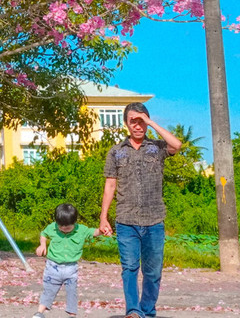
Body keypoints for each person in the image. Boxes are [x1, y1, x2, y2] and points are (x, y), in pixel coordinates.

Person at [99, 102, 183, 318]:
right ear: (126, 124)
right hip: (126, 220)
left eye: (141, 121)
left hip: (154, 220)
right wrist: (103, 217)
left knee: (153, 272)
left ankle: (147, 311)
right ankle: (134, 311)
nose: (137, 126)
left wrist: (151, 123)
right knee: (129, 269)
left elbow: (177, 145)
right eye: (133, 121)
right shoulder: (116, 152)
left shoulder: (157, 147)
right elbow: (110, 185)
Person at [34, 203, 95, 317]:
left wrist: (102, 230)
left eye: (67, 227)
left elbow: (92, 232)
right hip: (53, 266)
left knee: (72, 292)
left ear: (74, 222)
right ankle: (39, 312)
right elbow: (44, 234)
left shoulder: (81, 230)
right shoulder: (52, 227)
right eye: (60, 226)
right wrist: (42, 245)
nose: (63, 229)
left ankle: (72, 314)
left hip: (71, 268)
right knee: (49, 290)